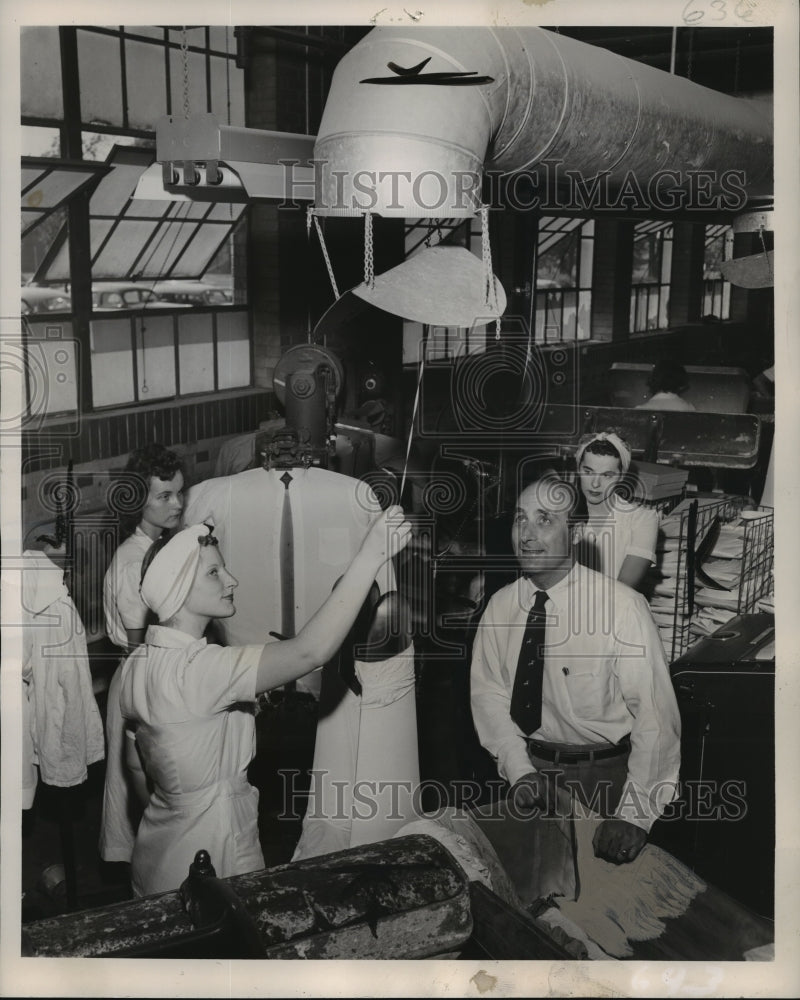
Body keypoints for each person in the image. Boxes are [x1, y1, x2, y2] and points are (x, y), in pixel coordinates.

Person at [119, 508, 411, 896]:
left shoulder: (136, 664)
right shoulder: (201, 670)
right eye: (214, 573)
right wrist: (371, 554)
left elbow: (137, 769)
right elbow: (310, 652)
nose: (231, 580)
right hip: (214, 860)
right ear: (178, 587)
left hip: (159, 852)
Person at [470, 472, 680, 865]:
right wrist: (519, 771)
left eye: (545, 520)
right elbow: (489, 696)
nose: (527, 535)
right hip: (530, 774)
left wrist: (634, 814)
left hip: (605, 781)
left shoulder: (621, 608)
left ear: (577, 531)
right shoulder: (500, 606)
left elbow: (656, 717)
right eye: (520, 518)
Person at [99, 444, 185, 866]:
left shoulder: (158, 548)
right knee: (142, 796)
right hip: (139, 679)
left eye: (179, 494)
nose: (177, 504)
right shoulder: (135, 562)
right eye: (165, 496)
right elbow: (140, 647)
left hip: (149, 674)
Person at [573, 430, 658, 593]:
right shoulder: (561, 514)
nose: (595, 484)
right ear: (578, 468)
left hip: (615, 612)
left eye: (607, 475)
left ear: (621, 476)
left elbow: (623, 591)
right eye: (588, 472)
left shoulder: (642, 519)